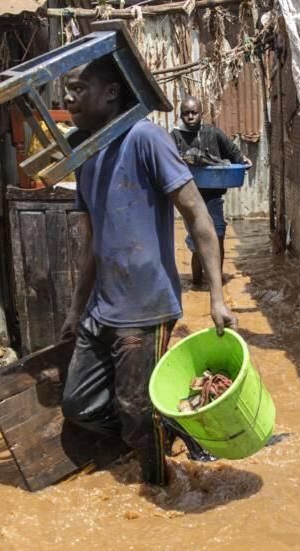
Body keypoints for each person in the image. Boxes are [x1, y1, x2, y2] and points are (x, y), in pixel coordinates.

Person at [58, 57, 237, 487]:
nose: (67, 98)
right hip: (102, 307)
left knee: (137, 413)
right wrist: (75, 309)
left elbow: (198, 216)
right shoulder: (82, 152)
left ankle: (162, 491)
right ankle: (167, 428)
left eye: (78, 88)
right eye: (65, 90)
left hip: (146, 307)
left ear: (111, 92)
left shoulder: (145, 138)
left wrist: (217, 295)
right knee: (77, 404)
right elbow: (92, 245)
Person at [170, 96, 250, 287]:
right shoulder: (174, 136)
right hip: (188, 197)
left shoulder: (213, 133)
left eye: (194, 112)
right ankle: (197, 282)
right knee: (197, 241)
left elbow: (233, 153)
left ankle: (216, 281)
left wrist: (243, 161)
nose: (190, 116)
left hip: (213, 196)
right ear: (181, 115)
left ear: (201, 113)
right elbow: (166, 162)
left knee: (219, 235)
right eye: (186, 113)